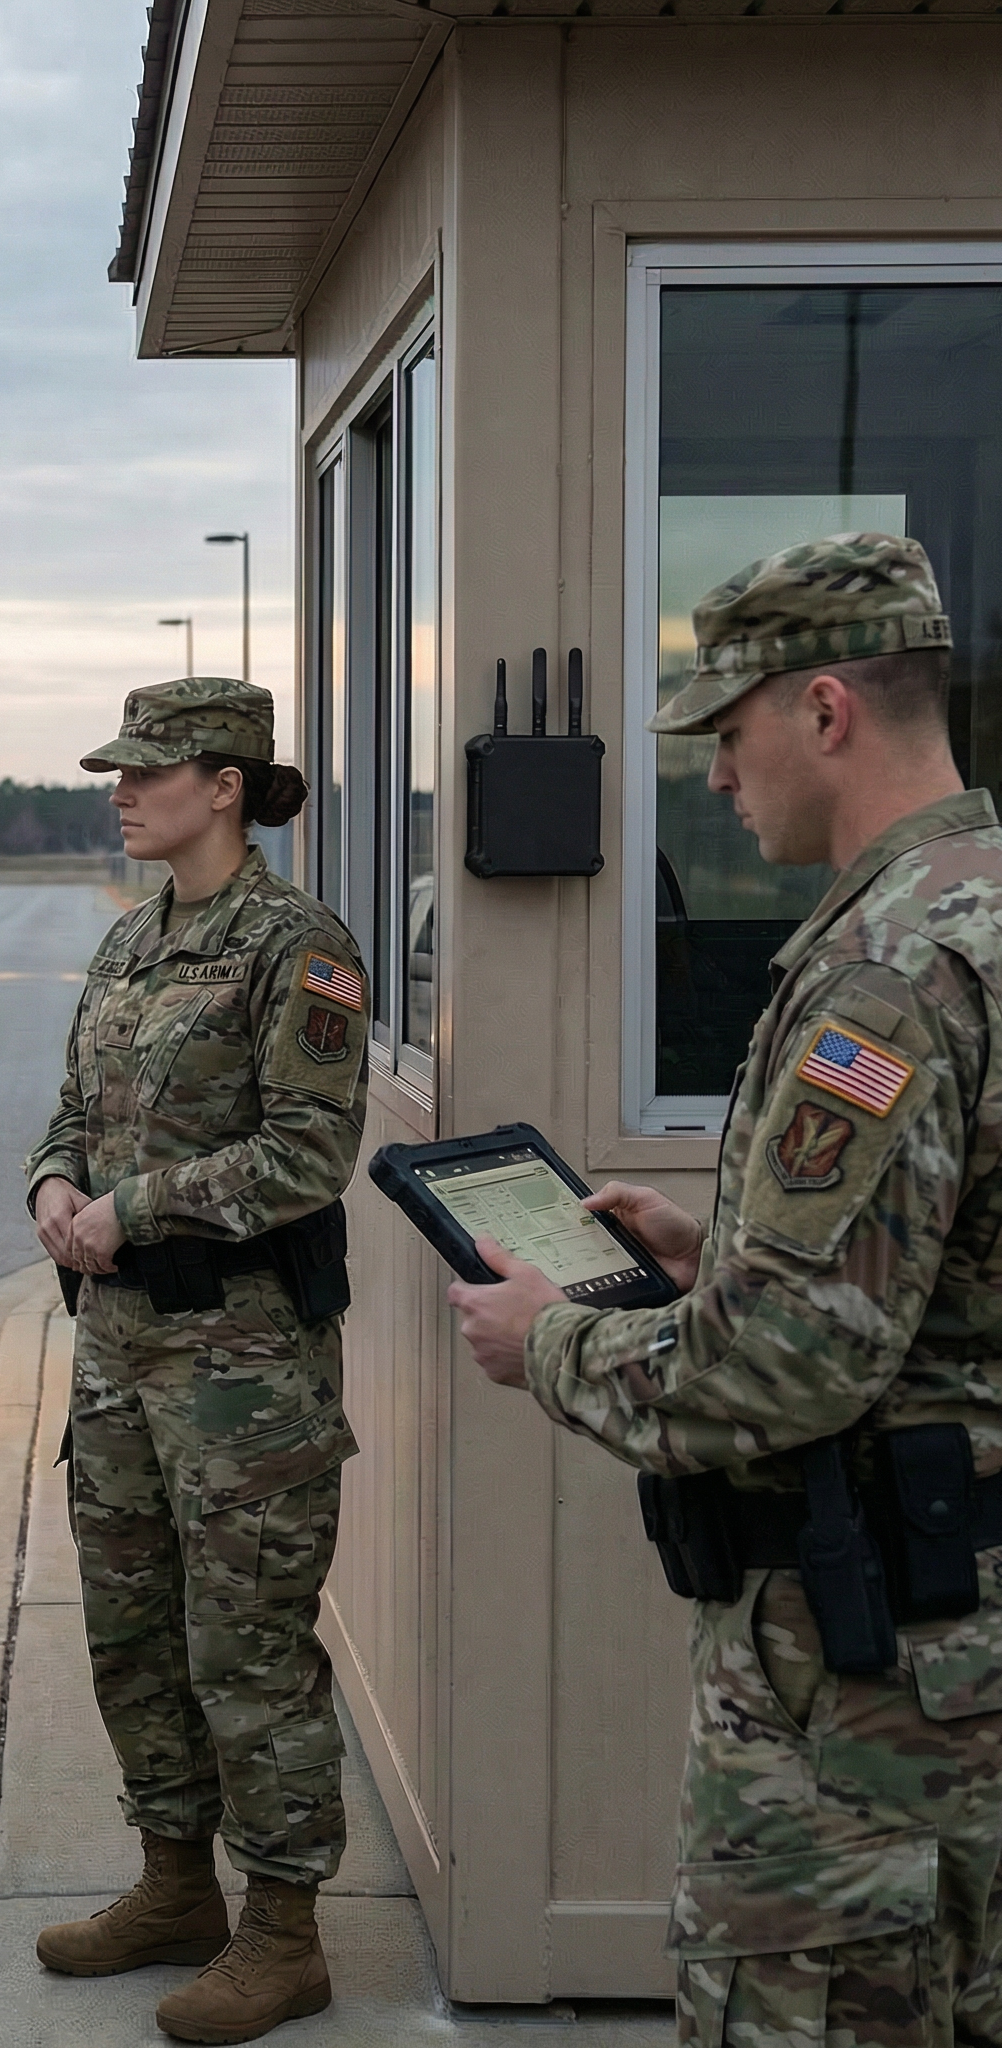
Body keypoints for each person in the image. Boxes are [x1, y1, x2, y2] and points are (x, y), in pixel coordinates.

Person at [448, 533, 1002, 2046]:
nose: (714, 777)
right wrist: (716, 1250)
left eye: (729, 731)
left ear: (824, 710)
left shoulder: (889, 968)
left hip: (876, 1692)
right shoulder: (978, 907)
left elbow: (786, 1371)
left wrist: (549, 1340)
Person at [25, 676, 369, 2045]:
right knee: (133, 1630)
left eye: (146, 772)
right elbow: (70, 1108)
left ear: (224, 785)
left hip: (243, 1366)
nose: (121, 790)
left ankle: (283, 1933)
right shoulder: (131, 943)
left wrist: (138, 1209)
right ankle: (175, 1888)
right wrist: (53, 1187)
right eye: (119, 771)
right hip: (115, 1349)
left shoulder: (299, 945)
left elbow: (309, 1150)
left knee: (249, 1646)